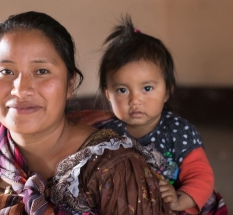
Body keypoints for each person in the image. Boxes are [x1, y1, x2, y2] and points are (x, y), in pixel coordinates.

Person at [0, 11, 172, 215]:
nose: (21, 89)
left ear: (70, 84)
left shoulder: (114, 170)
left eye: (41, 71)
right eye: (6, 71)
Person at [92, 15, 228, 214]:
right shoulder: (106, 134)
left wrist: (180, 200)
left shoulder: (178, 131)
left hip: (177, 203)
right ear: (107, 93)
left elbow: (201, 176)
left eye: (147, 88)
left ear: (166, 91)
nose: (135, 100)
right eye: (122, 90)